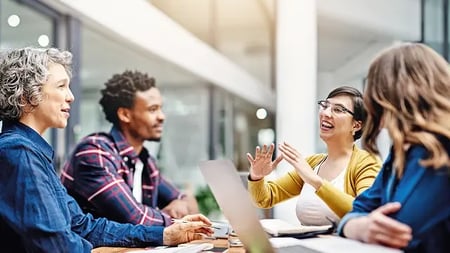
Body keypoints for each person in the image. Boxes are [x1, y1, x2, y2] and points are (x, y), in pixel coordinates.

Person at [0, 47, 212, 252]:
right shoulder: (20, 153)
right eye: (61, 86)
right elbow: (59, 246)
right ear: (27, 97)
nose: (71, 96)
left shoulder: (31, 153)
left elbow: (82, 226)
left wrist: (165, 235)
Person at [338, 43, 450, 252]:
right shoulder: (399, 156)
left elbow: (401, 230)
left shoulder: (442, 149)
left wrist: (364, 225)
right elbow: (358, 209)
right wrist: (360, 227)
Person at [61, 70, 198, 227]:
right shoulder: (95, 152)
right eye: (153, 109)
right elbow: (136, 220)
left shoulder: (145, 162)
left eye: (161, 108)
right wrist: (177, 218)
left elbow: (188, 201)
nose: (162, 116)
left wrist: (181, 206)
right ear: (125, 114)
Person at [247, 86, 382, 226]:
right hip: (306, 247)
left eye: (338, 109)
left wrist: (315, 181)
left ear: (356, 126)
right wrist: (257, 177)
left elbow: (366, 212)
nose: (326, 113)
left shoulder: (366, 162)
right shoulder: (313, 163)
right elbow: (265, 198)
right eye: (325, 106)